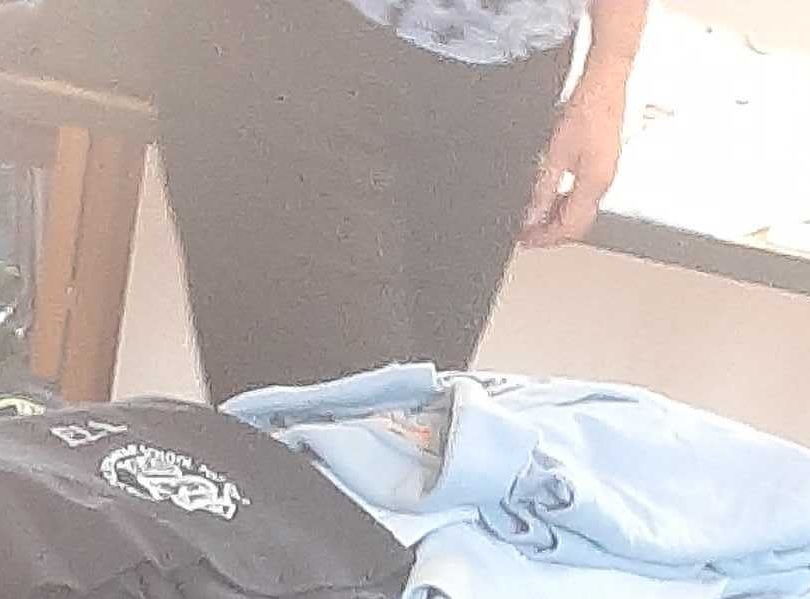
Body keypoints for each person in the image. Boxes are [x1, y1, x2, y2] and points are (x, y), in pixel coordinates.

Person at [155, 0, 647, 405]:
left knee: (410, 442)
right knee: (335, 455)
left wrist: (610, 66)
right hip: (293, 44)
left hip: (510, 72)